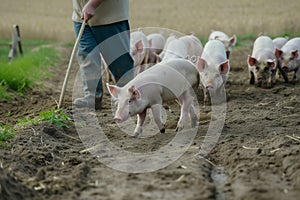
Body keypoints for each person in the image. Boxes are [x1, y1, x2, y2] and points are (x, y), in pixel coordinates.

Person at [72, 0, 134, 110]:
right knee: (87, 56)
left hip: (110, 16)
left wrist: (92, 4)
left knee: (119, 59)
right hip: (81, 14)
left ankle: (127, 98)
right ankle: (92, 97)